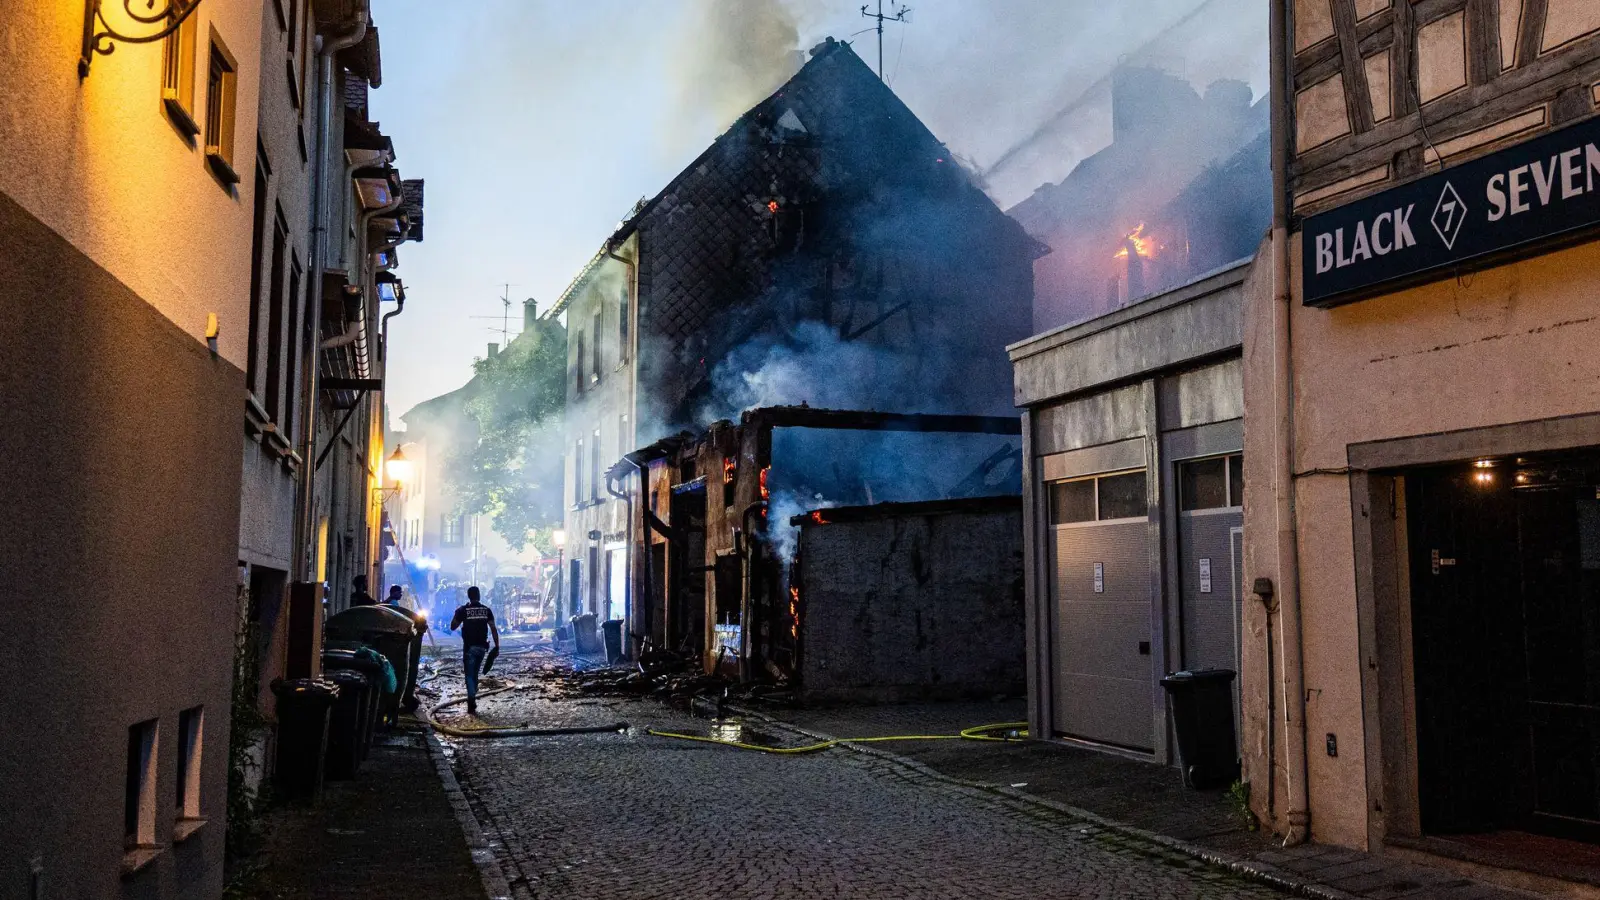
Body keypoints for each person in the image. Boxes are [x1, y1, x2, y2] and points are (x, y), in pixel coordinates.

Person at [449, 586, 499, 716]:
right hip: (482, 648)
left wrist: (458, 615)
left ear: (468, 596)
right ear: (479, 595)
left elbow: (453, 626)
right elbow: (493, 628)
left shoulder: (463, 610)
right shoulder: (486, 610)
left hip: (469, 648)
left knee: (469, 675)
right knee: (475, 673)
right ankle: (473, 694)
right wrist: (497, 646)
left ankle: (471, 698)